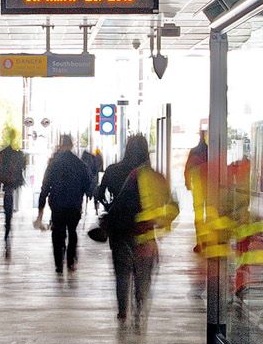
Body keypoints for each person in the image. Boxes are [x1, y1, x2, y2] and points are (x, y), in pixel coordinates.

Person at [98, 132, 177, 330]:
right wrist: (159, 221)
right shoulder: (156, 177)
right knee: (143, 276)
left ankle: (122, 312)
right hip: (145, 236)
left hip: (120, 232)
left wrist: (109, 209)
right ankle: (139, 310)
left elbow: (100, 194)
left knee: (122, 274)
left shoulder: (113, 170)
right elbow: (172, 206)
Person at [36, 133, 89, 276]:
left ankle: (59, 264)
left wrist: (40, 212)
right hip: (74, 205)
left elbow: (45, 187)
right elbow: (87, 185)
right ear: (71, 145)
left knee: (57, 233)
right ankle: (70, 261)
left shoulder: (54, 163)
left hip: (58, 205)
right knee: (72, 232)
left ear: (61, 144)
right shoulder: (79, 163)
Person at [0, 134, 26, 256]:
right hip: (14, 184)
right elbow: (22, 168)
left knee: (8, 209)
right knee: (10, 207)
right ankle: (8, 226)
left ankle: (7, 229)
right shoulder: (18, 154)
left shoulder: (3, 153)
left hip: (7, 184)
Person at [183, 134, 210, 254]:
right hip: (210, 188)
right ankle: (209, 241)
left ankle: (200, 242)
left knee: (198, 216)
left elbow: (187, 169)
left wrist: (188, 183)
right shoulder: (211, 152)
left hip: (197, 188)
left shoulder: (193, 152)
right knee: (210, 214)